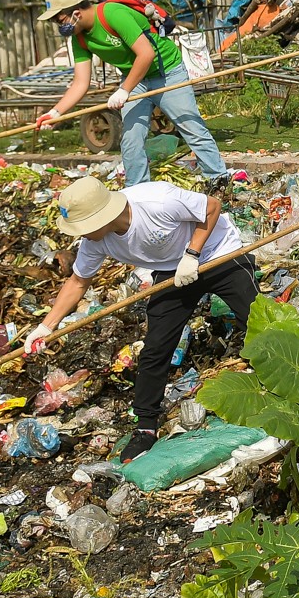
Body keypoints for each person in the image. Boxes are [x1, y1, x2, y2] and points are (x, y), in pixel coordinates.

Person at [21, 176, 252, 463]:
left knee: (254, 320)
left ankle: (276, 376)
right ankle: (145, 427)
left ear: (102, 216)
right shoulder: (96, 241)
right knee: (156, 347)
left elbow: (212, 207)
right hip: (171, 272)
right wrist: (45, 326)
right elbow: (79, 282)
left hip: (218, 253)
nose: (82, 234)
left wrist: (193, 254)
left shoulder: (157, 202)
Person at [35, 0, 230, 193]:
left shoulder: (113, 14)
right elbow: (80, 83)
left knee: (190, 126)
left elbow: (146, 54)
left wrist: (123, 91)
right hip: (135, 79)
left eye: (59, 20)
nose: (58, 26)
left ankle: (218, 179)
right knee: (131, 138)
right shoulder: (79, 38)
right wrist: (55, 113)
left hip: (167, 72)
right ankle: (137, 191)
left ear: (76, 13)